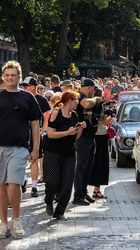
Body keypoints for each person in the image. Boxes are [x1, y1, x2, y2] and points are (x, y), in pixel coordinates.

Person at [0, 61, 42, 239]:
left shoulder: (28, 97)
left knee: (15, 182)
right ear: (3, 78)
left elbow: (35, 126)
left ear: (19, 77)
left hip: (19, 147)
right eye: (7, 75)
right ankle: (3, 224)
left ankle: (16, 219)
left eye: (13, 75)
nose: (10, 78)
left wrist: (35, 149)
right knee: (0, 186)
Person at [44, 90, 85, 220]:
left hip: (69, 153)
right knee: (53, 181)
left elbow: (76, 136)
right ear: (69, 101)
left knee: (67, 184)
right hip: (53, 152)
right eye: (76, 100)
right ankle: (48, 198)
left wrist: (80, 130)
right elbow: (50, 133)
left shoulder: (74, 115)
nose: (77, 103)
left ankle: (60, 211)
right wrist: (67, 132)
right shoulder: (56, 113)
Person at [73, 78, 103, 205]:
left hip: (91, 136)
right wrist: (96, 99)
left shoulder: (88, 97)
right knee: (81, 167)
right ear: (90, 87)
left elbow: (96, 117)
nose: (94, 92)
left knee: (88, 166)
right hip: (82, 137)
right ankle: (77, 195)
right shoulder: (79, 96)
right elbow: (86, 104)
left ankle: (84, 192)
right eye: (94, 89)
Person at [21, 77, 51, 197]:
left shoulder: (42, 100)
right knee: (21, 158)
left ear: (32, 87)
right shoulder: (21, 97)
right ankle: (22, 180)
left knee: (35, 159)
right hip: (22, 133)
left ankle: (34, 187)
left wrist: (43, 133)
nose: (23, 88)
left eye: (25, 86)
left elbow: (46, 118)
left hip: (35, 133)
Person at [89, 112, 111, 199]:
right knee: (97, 163)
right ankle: (90, 190)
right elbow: (103, 122)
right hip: (96, 137)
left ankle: (96, 190)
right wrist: (110, 117)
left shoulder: (102, 110)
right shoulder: (93, 110)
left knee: (102, 163)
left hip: (103, 136)